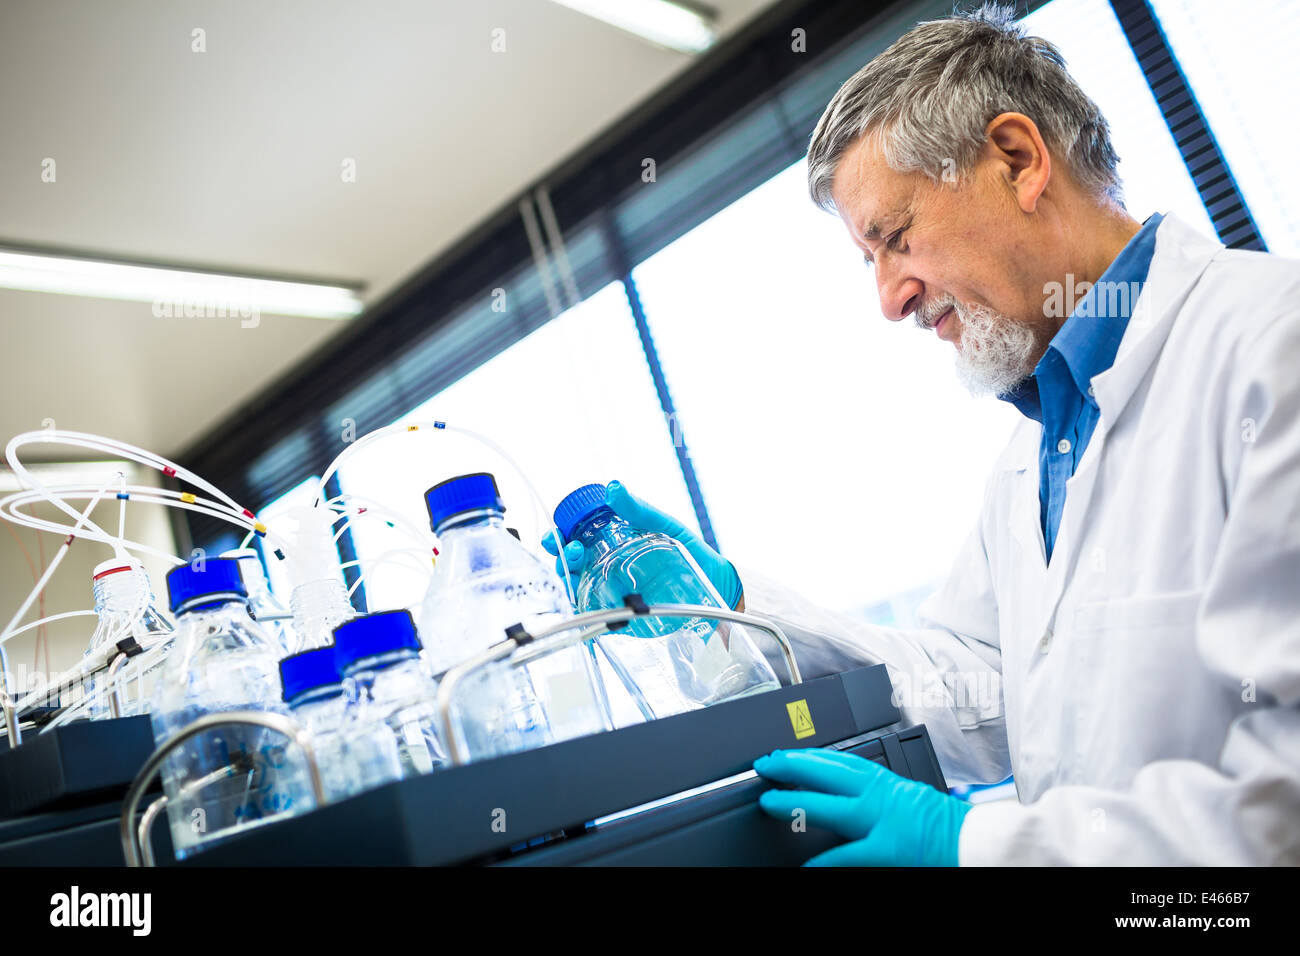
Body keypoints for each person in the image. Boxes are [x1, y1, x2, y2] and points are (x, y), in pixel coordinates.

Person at [545, 4, 1300, 865]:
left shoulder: (1272, 349)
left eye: (895, 240)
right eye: (870, 261)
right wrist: (726, 607)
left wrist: (972, 848)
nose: (890, 300)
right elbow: (972, 692)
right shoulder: (1033, 459)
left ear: (1018, 160)